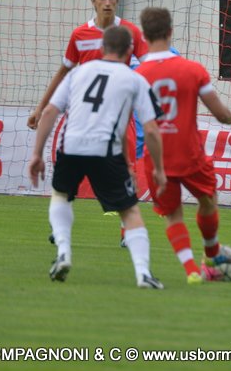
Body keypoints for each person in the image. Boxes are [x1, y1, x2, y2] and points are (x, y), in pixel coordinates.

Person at [28, 25, 168, 289]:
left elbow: (49, 112)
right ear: (130, 50)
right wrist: (158, 168)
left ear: (102, 48)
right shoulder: (135, 79)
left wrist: (37, 154)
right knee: (129, 211)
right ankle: (143, 274)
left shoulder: (78, 73)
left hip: (71, 145)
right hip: (105, 150)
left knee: (61, 196)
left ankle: (63, 252)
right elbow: (150, 129)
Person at [134, 7, 231, 285]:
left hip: (157, 158)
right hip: (189, 154)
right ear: (170, 32)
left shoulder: (137, 75)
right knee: (208, 200)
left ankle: (192, 271)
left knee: (173, 214)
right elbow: (220, 114)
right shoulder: (193, 70)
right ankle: (211, 255)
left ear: (144, 36)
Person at [28, 0, 146, 246]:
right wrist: (40, 108)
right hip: (83, 116)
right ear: (93, 1)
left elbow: (149, 66)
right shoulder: (80, 35)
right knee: (68, 171)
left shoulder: (130, 32)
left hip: (118, 115)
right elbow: (63, 72)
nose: (107, 3)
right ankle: (60, 227)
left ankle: (127, 231)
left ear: (117, 0)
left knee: (126, 170)